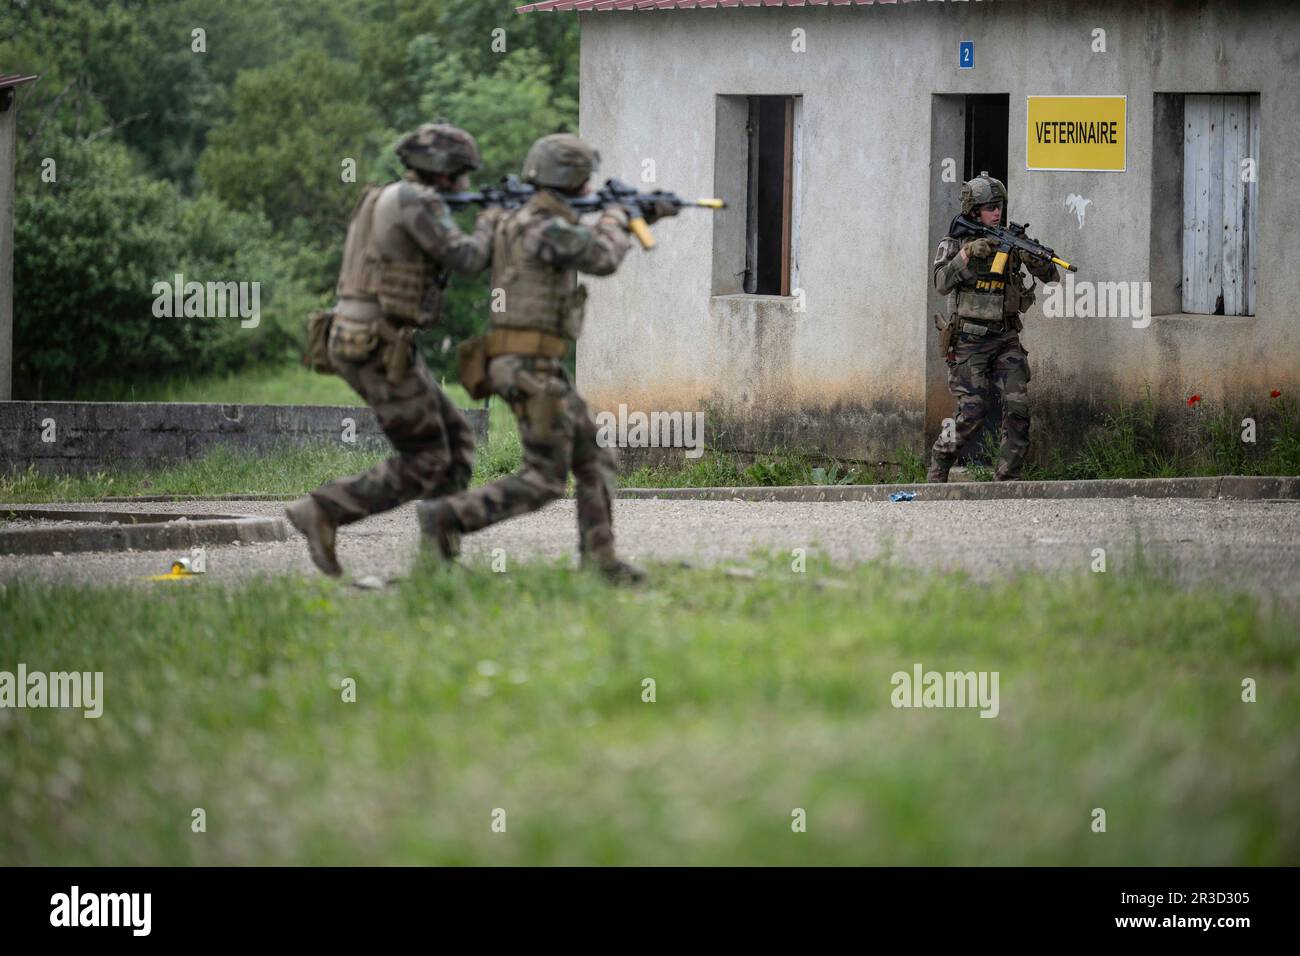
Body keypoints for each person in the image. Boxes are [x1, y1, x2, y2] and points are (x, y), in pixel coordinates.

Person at [418, 133, 673, 584]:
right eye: (585, 180)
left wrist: (634, 212)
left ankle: (601, 564)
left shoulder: (533, 218)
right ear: (571, 180)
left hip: (537, 364)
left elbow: (581, 236)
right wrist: (619, 217)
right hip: (527, 366)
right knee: (545, 479)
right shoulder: (539, 226)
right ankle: (448, 516)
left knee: (593, 455)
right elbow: (601, 256)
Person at [286, 123, 501, 576]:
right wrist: (491, 220)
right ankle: (325, 510)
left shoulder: (387, 196)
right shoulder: (415, 200)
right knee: (429, 459)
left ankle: (440, 563)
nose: (465, 185)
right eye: (461, 173)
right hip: (374, 344)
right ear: (440, 171)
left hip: (375, 340)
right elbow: (468, 259)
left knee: (457, 440)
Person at [927, 171, 1060, 482]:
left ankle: (1008, 476)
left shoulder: (1011, 241)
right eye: (989, 207)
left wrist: (1034, 257)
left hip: (1005, 339)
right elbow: (940, 283)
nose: (996, 212)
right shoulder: (955, 241)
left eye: (999, 206)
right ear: (974, 211)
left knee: (1018, 407)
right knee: (971, 414)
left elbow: (1051, 276)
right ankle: (939, 462)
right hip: (968, 341)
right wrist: (966, 254)